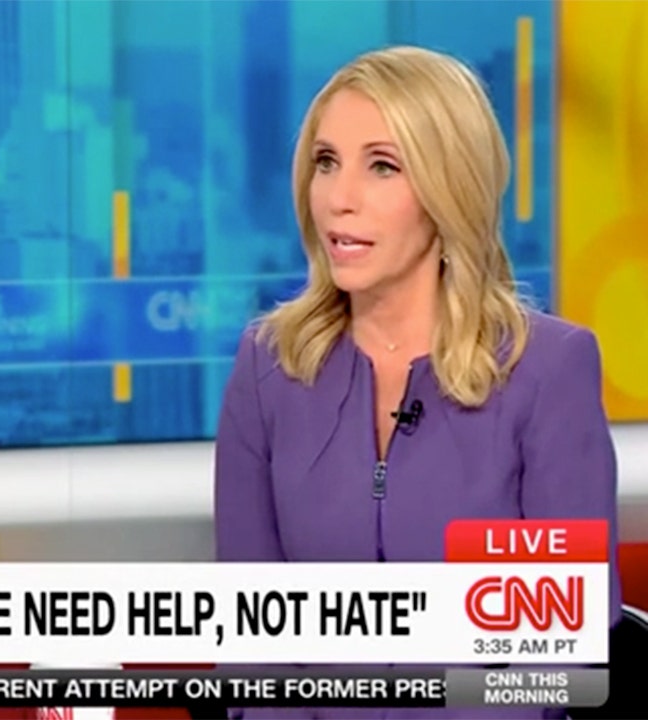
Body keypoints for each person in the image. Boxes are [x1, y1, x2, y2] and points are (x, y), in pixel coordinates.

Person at [213, 46, 622, 719]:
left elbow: (559, 650)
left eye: (382, 166)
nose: (339, 199)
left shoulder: (548, 371)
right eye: (325, 162)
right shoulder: (268, 368)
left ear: (448, 188)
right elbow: (254, 638)